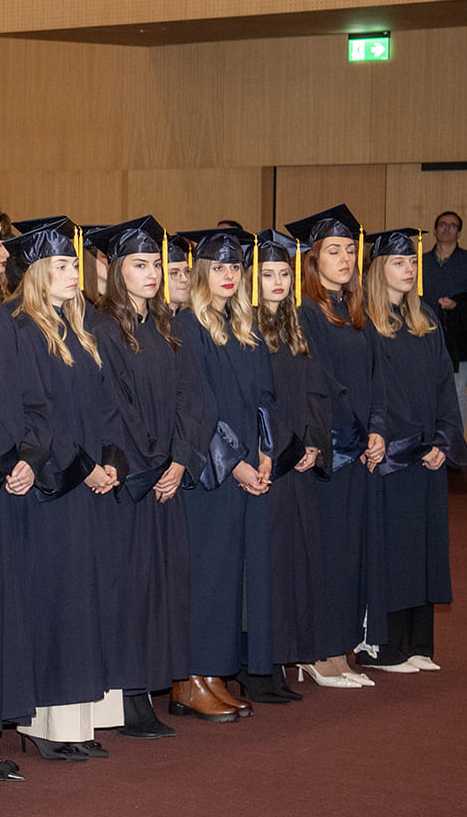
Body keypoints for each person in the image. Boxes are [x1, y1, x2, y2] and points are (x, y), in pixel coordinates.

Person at [4, 218, 128, 756]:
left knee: (86, 602)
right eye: (60, 265)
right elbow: (38, 413)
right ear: (35, 274)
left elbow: (104, 407)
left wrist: (110, 460)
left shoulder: (80, 328)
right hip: (54, 489)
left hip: (89, 487)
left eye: (74, 264)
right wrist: (82, 465)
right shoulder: (25, 330)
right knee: (55, 602)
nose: (73, 273)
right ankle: (49, 727)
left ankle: (81, 723)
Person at [83, 218, 206, 734]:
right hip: (130, 483)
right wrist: (154, 462)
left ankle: (149, 687)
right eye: (140, 264)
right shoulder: (104, 330)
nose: (153, 273)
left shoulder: (166, 328)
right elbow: (113, 408)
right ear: (114, 271)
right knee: (128, 588)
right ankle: (128, 695)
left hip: (164, 477)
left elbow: (189, 400)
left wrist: (180, 458)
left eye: (156, 264)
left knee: (163, 587)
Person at [170, 224, 274, 721]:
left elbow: (265, 398)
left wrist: (267, 451)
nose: (229, 274)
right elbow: (200, 406)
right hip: (210, 475)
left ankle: (213, 673)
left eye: (235, 266)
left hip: (247, 470)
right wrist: (236, 465)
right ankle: (191, 678)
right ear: (202, 272)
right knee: (207, 575)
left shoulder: (245, 326)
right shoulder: (187, 326)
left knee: (230, 575)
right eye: (219, 266)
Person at [289, 205, 383, 688]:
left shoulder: (354, 311)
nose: (345, 258)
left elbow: (372, 377)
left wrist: (379, 429)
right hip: (334, 449)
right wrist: (356, 431)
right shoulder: (306, 312)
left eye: (350, 250)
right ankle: (318, 650)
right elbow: (321, 383)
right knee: (326, 551)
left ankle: (341, 647)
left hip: (360, 447)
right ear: (313, 258)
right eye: (334, 250)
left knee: (351, 550)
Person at [363, 228, 460, 672]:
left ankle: (419, 644)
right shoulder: (368, 320)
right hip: (394, 456)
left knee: (423, 545)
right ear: (379, 269)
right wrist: (407, 442)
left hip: (427, 452)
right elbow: (376, 391)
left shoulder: (426, 317)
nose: (409, 269)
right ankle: (388, 647)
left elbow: (445, 384)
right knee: (394, 549)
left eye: (412, 262)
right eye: (399, 262)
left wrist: (443, 438)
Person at [249, 228, 332, 697]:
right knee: (268, 567)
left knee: (295, 564)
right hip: (271, 463)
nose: (278, 281)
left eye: (284, 273)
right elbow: (256, 401)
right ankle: (261, 666)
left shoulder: (298, 324)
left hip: (299, 461)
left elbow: (318, 392)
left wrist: (315, 444)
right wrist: (285, 448)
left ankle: (282, 656)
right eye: (268, 273)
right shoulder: (249, 327)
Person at [418, 212, 467, 432]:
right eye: (442, 224)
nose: (446, 229)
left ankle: (454, 447)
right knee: (425, 390)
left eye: (452, 226)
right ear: (434, 230)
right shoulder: (421, 261)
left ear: (459, 233)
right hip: (424, 336)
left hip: (457, 339)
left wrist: (458, 304)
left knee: (457, 390)